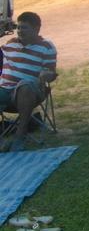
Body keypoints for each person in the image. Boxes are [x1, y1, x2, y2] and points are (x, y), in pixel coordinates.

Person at [0, 12, 57, 152]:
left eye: (24, 28)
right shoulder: (11, 43)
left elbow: (51, 72)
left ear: (36, 28)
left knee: (25, 85)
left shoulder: (46, 46)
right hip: (5, 91)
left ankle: (20, 135)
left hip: (31, 92)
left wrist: (47, 75)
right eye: (18, 27)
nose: (20, 31)